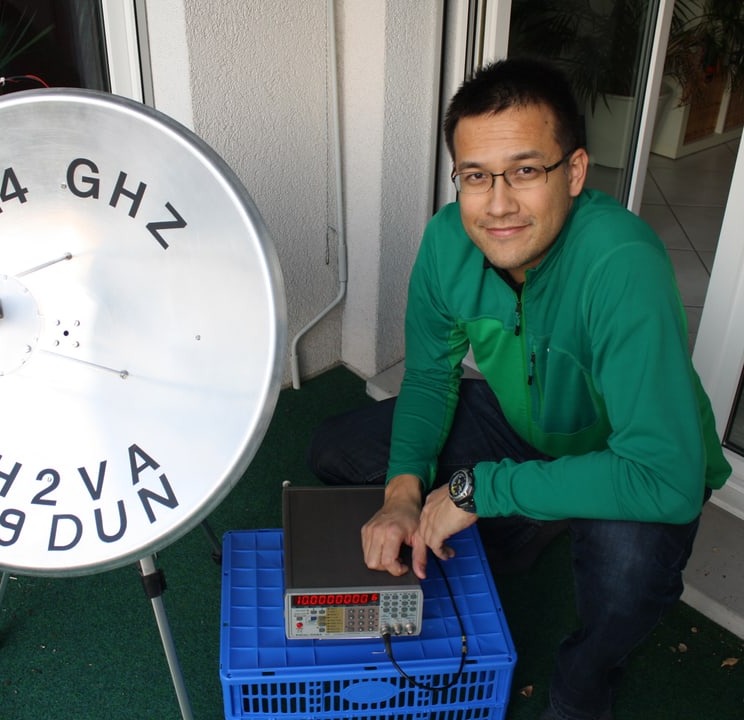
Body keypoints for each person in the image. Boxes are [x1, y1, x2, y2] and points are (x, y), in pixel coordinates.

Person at [307, 57, 730, 720]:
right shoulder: (448, 241)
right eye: (476, 176)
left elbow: (666, 477)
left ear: (576, 172)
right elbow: (428, 375)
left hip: (633, 456)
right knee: (338, 447)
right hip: (522, 427)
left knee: (625, 580)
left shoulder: (621, 265)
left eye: (526, 171)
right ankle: (528, 523)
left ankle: (583, 681)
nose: (497, 203)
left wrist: (482, 491)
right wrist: (400, 497)